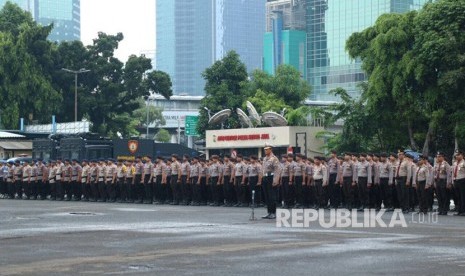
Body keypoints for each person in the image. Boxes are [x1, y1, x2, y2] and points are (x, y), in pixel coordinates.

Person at [262, 143, 281, 219]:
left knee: (272, 196)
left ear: (270, 149)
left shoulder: (274, 158)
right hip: (266, 178)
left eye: (267, 149)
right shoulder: (265, 158)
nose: (265, 151)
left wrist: (275, 180)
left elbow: (277, 170)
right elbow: (263, 169)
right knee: (267, 196)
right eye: (265, 150)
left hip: (271, 178)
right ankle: (269, 212)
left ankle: (273, 212)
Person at [452, 150, 465, 216]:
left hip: (462, 180)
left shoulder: (464, 162)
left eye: (458, 155)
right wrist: (452, 181)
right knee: (458, 197)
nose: (457, 156)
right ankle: (459, 211)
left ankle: (463, 211)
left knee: (463, 196)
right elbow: (453, 173)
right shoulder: (455, 163)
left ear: (462, 155)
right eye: (456, 155)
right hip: (456, 181)